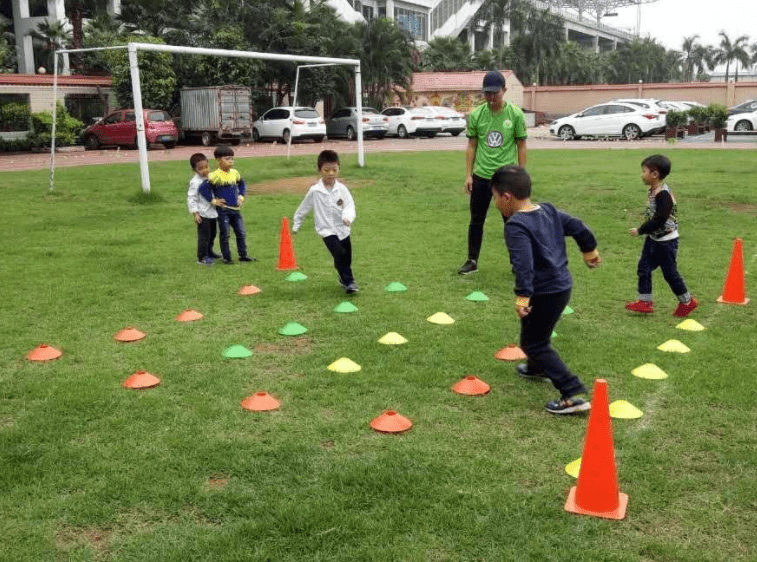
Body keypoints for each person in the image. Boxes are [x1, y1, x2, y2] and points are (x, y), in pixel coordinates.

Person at [491, 165, 600, 415]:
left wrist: (522, 296)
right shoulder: (549, 210)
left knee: (534, 342)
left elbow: (524, 264)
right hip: (562, 286)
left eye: (495, 198)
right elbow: (579, 228)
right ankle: (536, 368)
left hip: (543, 290)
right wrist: (589, 251)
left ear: (506, 197)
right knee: (536, 331)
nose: (496, 204)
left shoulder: (516, 225)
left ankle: (573, 393)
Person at [459, 70, 528, 275]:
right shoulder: (477, 114)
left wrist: (520, 174)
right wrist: (469, 175)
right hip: (481, 176)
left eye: (495, 93)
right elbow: (472, 146)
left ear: (504, 91)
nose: (490, 97)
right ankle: (472, 261)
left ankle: (517, 262)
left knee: (512, 221)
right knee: (476, 220)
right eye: (487, 93)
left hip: (506, 178)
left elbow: (521, 146)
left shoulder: (515, 114)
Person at [626, 154, 698, 316]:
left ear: (654, 174)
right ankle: (645, 302)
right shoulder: (654, 190)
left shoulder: (663, 195)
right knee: (643, 268)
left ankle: (687, 301)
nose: (641, 174)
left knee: (670, 273)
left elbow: (659, 219)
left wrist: (640, 230)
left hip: (666, 242)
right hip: (654, 239)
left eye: (644, 171)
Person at [292, 150, 358, 294]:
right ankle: (349, 282)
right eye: (327, 170)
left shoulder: (342, 189)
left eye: (334, 169)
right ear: (320, 170)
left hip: (343, 229)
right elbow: (304, 207)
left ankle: (342, 276)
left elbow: (349, 205)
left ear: (339, 168)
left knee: (346, 257)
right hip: (326, 230)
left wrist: (348, 217)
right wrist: (297, 224)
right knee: (339, 254)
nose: (331, 173)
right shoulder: (315, 191)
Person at [199, 145, 255, 264]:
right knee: (225, 234)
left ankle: (243, 255)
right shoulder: (214, 176)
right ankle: (227, 257)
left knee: (241, 232)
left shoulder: (235, 173)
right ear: (218, 160)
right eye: (227, 158)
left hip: (236, 209)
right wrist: (213, 201)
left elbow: (242, 184)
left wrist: (241, 196)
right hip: (224, 211)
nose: (231, 161)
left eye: (232, 158)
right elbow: (203, 188)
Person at [187, 153, 220, 265]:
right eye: (200, 168)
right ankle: (202, 257)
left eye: (206, 167)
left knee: (213, 234)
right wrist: (195, 213)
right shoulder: (195, 182)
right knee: (204, 236)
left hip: (212, 212)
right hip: (203, 214)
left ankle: (209, 252)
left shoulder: (211, 177)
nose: (204, 170)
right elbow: (192, 198)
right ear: (194, 170)